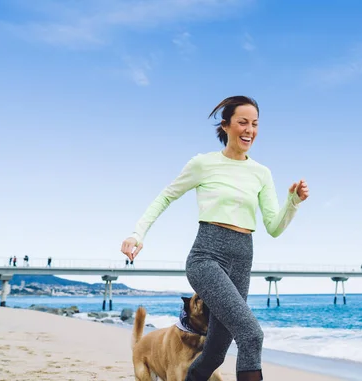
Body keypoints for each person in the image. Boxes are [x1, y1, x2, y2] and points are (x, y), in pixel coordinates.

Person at [120, 96, 309, 381]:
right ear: (226, 125)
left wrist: (292, 202)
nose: (250, 130)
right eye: (242, 122)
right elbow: (166, 196)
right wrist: (138, 233)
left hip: (242, 260)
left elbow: (273, 226)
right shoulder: (203, 164)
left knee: (216, 351)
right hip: (207, 255)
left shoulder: (261, 173)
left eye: (255, 124)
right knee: (251, 334)